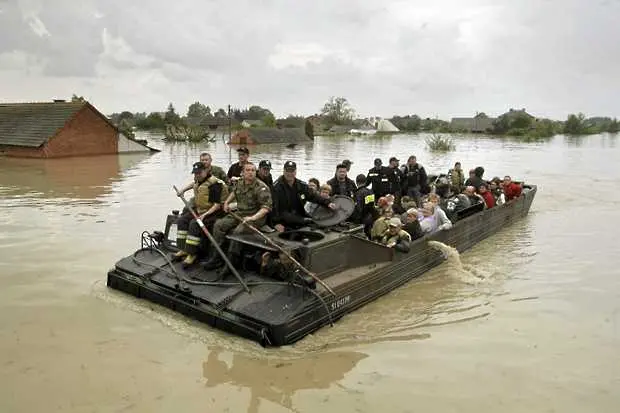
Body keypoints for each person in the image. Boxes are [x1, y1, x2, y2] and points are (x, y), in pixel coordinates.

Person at [204, 163, 272, 274]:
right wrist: (226, 202)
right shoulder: (240, 182)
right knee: (219, 225)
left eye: (253, 170)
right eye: (248, 170)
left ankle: (230, 264)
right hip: (239, 213)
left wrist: (252, 218)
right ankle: (216, 257)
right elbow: (234, 192)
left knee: (238, 232)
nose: (250, 172)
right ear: (243, 173)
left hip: (256, 217)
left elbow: (266, 208)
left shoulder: (261, 187)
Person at [172, 162, 228, 266]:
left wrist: (205, 215)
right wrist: (182, 190)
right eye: (195, 173)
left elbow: (217, 205)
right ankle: (183, 248)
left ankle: (192, 254)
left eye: (199, 173)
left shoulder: (214, 184)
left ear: (205, 171)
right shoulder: (199, 180)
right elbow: (194, 184)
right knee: (182, 220)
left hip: (214, 213)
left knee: (194, 224)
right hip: (200, 210)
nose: (197, 175)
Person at [271, 161, 335, 232]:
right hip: (284, 217)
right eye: (287, 171)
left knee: (317, 222)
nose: (289, 173)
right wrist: (276, 223)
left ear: (295, 172)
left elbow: (313, 196)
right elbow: (273, 207)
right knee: (307, 221)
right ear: (283, 171)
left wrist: (327, 203)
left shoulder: (301, 185)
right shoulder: (276, 187)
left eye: (292, 171)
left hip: (299, 214)